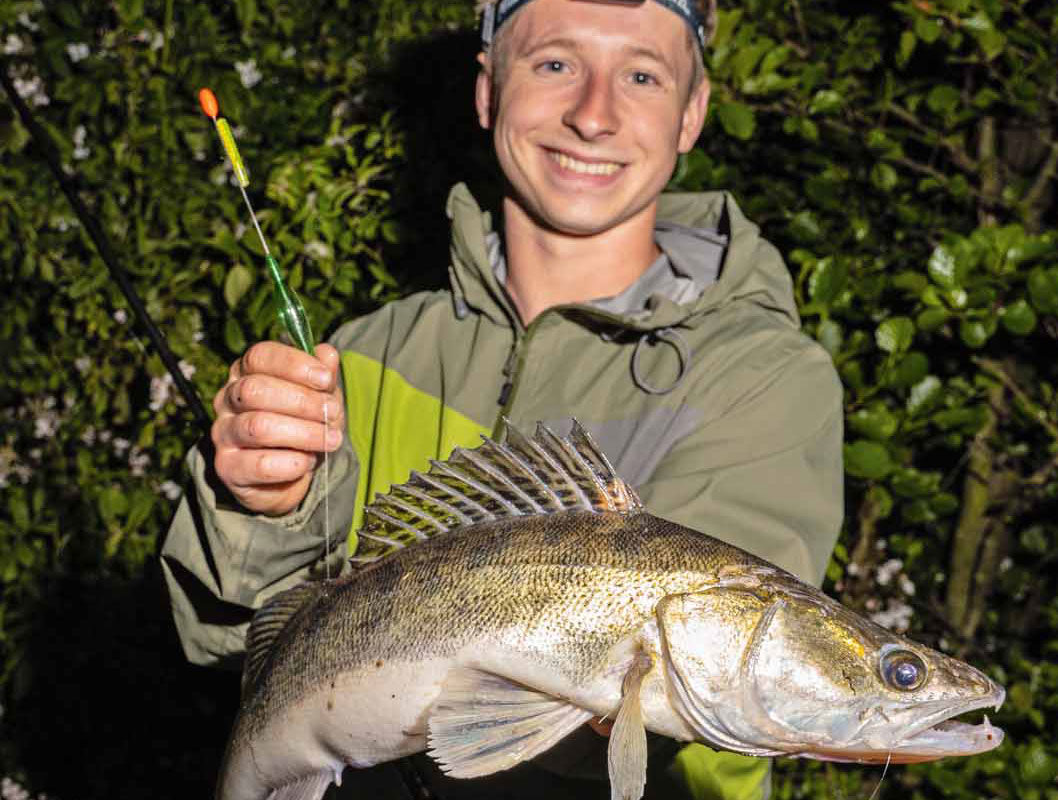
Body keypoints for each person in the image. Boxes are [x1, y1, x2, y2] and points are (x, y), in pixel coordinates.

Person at [161, 0, 844, 797]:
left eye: (642, 74)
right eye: (555, 63)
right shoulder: (369, 352)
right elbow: (231, 649)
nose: (594, 114)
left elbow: (718, 703)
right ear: (488, 91)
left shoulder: (764, 376)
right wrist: (264, 512)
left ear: (692, 113)